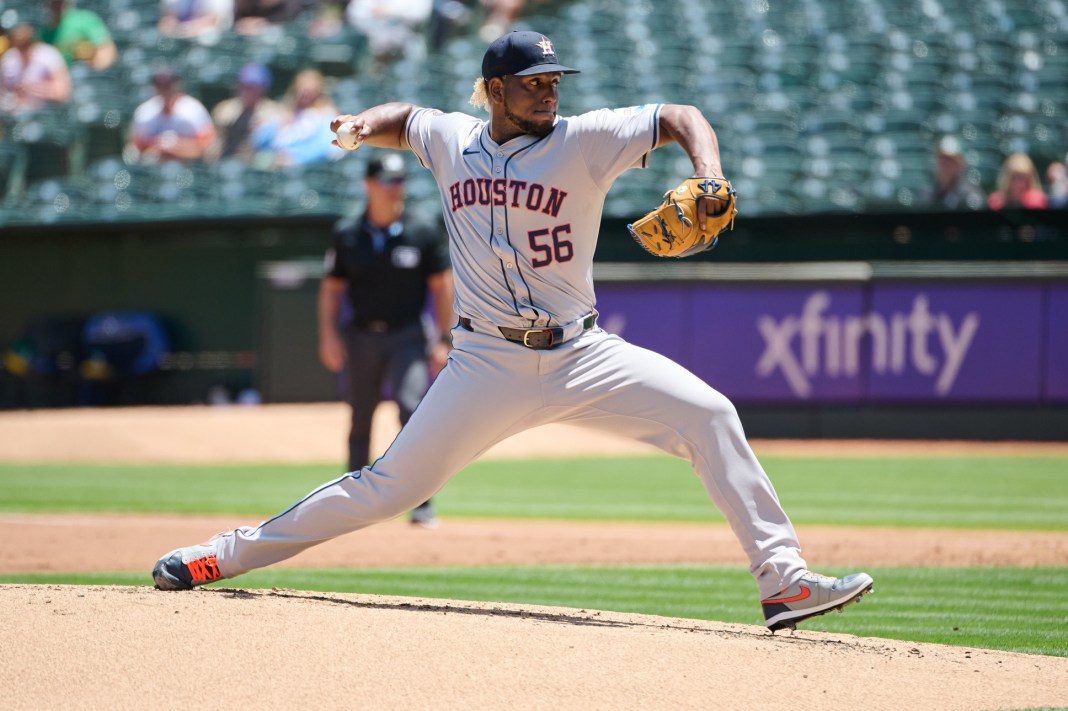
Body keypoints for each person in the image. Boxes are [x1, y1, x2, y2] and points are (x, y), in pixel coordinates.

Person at [152, 30, 874, 633]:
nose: (549, 91)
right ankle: (222, 554)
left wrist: (709, 174)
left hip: (583, 352)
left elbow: (680, 114)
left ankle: (782, 582)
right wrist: (360, 124)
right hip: (485, 361)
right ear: (495, 90)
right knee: (384, 487)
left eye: (554, 79)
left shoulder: (585, 140)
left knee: (710, 413)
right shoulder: (452, 139)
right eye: (533, 82)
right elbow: (406, 118)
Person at [318, 152, 454, 528]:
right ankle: (349, 505)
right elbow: (331, 289)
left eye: (400, 181)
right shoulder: (347, 233)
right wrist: (328, 335)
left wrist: (443, 338)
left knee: (413, 410)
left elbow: (442, 288)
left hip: (407, 336)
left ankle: (421, 501)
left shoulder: (422, 230)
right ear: (368, 185)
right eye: (387, 181)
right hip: (361, 335)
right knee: (360, 417)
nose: (395, 189)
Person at [250, 68, 344, 167]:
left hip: (306, 170)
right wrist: (276, 124)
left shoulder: (326, 115)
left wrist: (296, 158)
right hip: (274, 164)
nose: (305, 95)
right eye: (302, 90)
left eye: (310, 92)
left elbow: (326, 148)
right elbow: (260, 142)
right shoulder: (284, 112)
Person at [126, 67, 216, 163]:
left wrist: (176, 148)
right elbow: (135, 145)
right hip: (154, 167)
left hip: (188, 166)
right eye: (159, 84)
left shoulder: (194, 110)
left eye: (168, 84)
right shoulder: (145, 112)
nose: (164, 89)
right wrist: (158, 147)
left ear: (178, 85)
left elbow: (207, 145)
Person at [208, 63, 282, 162]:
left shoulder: (273, 112)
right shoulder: (225, 109)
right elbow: (213, 148)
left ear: (263, 88)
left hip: (256, 168)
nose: (246, 90)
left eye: (252, 87)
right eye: (243, 85)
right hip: (224, 164)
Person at [0, 23, 72, 114]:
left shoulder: (48, 54)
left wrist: (34, 88)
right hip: (16, 116)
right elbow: (3, 93)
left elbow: (64, 91)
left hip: (46, 115)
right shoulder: (9, 58)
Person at [40, 0, 117, 71]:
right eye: (55, 3)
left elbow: (107, 51)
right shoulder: (44, 33)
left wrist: (93, 62)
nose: (58, 6)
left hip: (84, 75)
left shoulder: (85, 20)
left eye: (61, 3)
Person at [918, 135, 984, 210]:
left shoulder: (970, 195)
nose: (945, 165)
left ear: (961, 164)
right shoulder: (928, 193)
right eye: (942, 160)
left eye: (951, 161)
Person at [158, 0, 234, 39]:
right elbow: (167, 17)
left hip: (209, 40)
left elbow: (216, 18)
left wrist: (191, 27)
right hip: (179, 36)